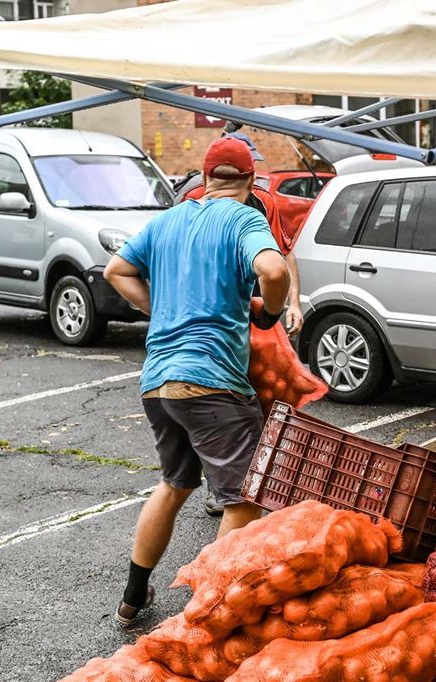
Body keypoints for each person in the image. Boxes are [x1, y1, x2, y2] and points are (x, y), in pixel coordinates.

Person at [104, 137, 290, 626]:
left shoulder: (167, 219)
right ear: (250, 181)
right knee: (242, 498)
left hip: (158, 381)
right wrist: (271, 314)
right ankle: (208, 608)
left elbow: (116, 270)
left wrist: (157, 308)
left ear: (204, 178)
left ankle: (133, 596)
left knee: (173, 483)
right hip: (211, 382)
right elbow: (272, 269)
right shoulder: (245, 218)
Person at [180, 130, 305, 518]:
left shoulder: (264, 203)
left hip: (254, 312)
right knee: (214, 403)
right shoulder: (192, 204)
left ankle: (258, 477)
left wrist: (291, 304)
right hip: (212, 318)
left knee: (266, 396)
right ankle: (224, 485)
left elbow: (282, 258)